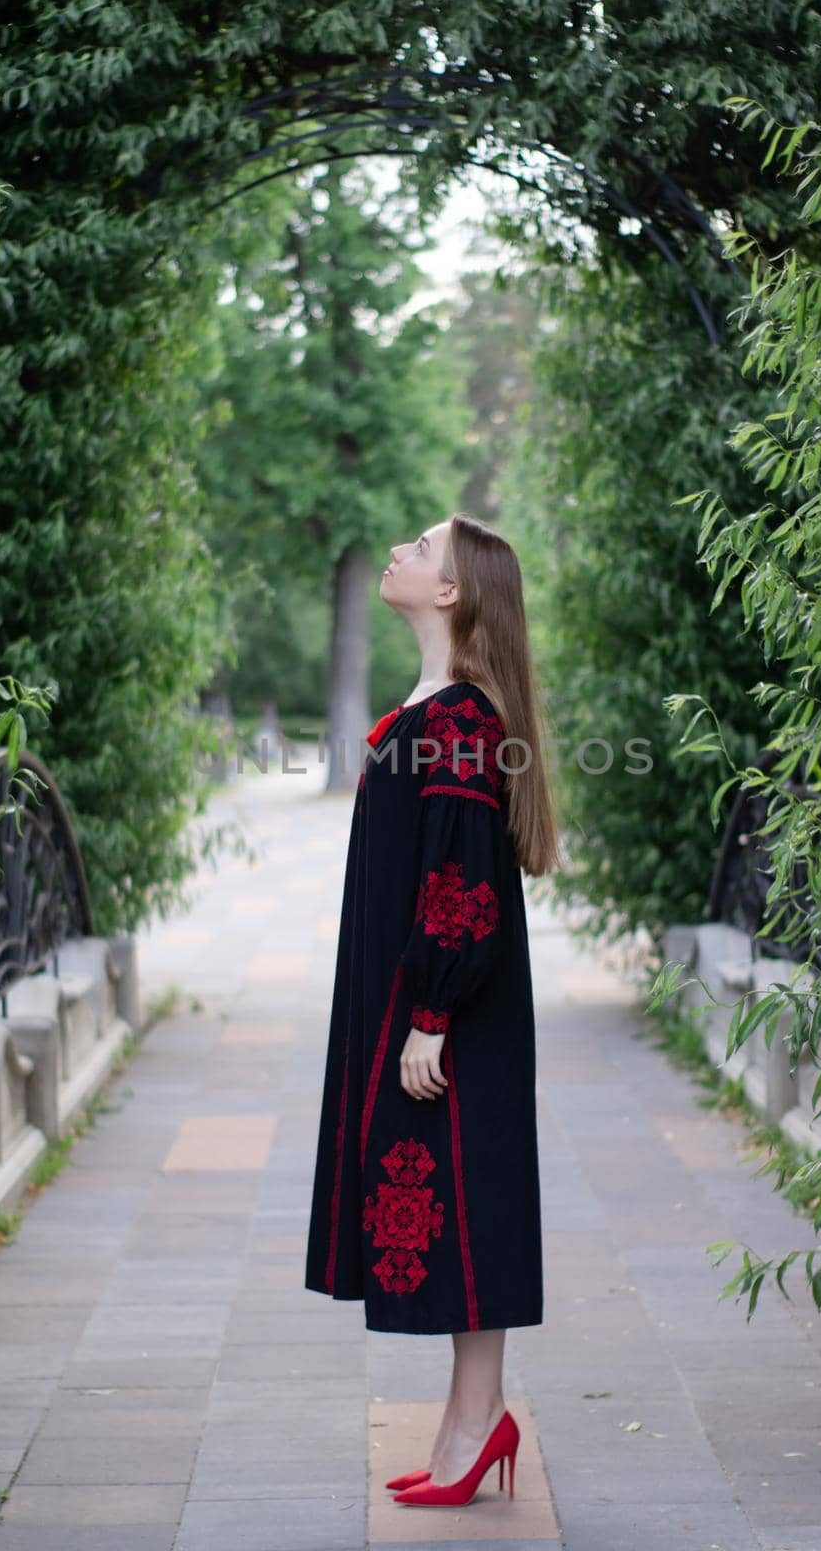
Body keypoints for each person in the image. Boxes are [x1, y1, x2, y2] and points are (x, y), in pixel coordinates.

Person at [304, 512, 561, 1507]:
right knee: (466, 1201)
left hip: (445, 1014)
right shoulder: (436, 705)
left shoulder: (457, 719)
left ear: (449, 592)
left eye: (418, 546)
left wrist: (432, 1014)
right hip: (429, 1008)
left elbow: (463, 880)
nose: (399, 553)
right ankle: (471, 1420)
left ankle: (472, 1426)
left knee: (463, 1197)